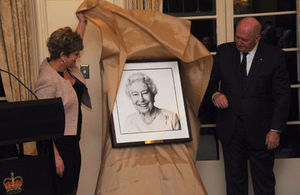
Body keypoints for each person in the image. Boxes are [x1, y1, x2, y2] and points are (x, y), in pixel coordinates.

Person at [208, 17, 290, 194]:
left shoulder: (274, 56)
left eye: (244, 39)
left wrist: (275, 130)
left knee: (263, 182)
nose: (239, 42)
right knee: (234, 182)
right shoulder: (224, 52)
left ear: (257, 38)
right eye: (237, 37)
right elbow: (210, 83)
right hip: (231, 129)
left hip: (262, 131)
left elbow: (282, 96)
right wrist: (216, 94)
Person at [34, 12, 91, 195]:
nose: (77, 58)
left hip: (72, 143)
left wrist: (82, 22)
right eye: (75, 54)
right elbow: (42, 125)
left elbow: (75, 42)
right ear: (62, 55)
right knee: (63, 190)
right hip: (58, 146)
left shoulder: (66, 67)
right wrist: (56, 157)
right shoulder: (47, 80)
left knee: (72, 187)